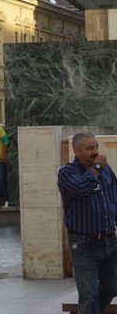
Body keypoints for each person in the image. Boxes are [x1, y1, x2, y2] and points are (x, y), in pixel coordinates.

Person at [58, 132, 117, 314]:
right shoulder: (67, 172)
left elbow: (113, 198)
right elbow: (81, 189)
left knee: (113, 287)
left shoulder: (106, 170)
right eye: (90, 148)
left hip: (109, 241)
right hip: (84, 245)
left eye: (96, 147)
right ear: (77, 150)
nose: (95, 152)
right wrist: (97, 167)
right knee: (89, 296)